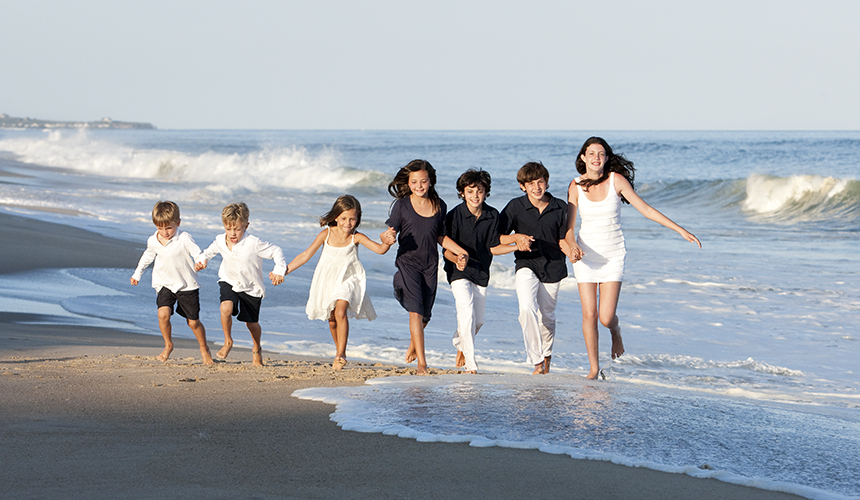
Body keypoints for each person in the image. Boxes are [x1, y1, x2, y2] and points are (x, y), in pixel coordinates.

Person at [566, 136, 701, 379]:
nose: (597, 158)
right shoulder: (574, 186)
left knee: (606, 318)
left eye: (602, 154)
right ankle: (593, 369)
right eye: (592, 153)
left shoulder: (616, 180)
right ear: (583, 157)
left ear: (607, 159)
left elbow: (646, 209)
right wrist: (572, 246)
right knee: (589, 315)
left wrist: (680, 229)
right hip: (586, 257)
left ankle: (615, 332)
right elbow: (568, 227)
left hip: (613, 255)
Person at [380, 159, 469, 375]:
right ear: (408, 184)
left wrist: (460, 251)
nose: (419, 186)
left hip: (430, 265)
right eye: (414, 182)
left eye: (423, 181)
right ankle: (422, 363)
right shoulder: (402, 206)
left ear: (431, 181)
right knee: (415, 311)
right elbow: (389, 232)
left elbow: (440, 237)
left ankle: (414, 343)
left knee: (425, 314)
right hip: (408, 262)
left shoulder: (440, 206)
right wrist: (387, 237)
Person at [285, 195, 391, 369]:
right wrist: (284, 271)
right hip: (327, 281)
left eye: (352, 219)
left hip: (349, 280)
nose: (348, 223)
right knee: (333, 319)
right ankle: (338, 350)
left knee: (340, 311)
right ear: (336, 217)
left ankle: (341, 354)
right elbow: (305, 255)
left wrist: (387, 242)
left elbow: (379, 250)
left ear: (357, 219)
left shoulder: (356, 237)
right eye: (343, 218)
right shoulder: (326, 234)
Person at [499, 162, 572, 375]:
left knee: (547, 316)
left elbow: (562, 239)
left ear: (547, 183)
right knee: (526, 308)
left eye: (540, 182)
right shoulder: (515, 206)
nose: (536, 187)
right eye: (531, 183)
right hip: (526, 263)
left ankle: (546, 356)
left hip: (554, 266)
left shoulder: (560, 207)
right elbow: (498, 238)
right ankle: (537, 361)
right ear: (523, 186)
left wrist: (573, 252)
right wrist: (516, 238)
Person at [195, 202, 286, 367]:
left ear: (246, 225)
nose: (232, 233)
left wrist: (279, 269)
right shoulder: (220, 240)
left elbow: (276, 251)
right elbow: (208, 252)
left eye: (237, 229)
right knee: (226, 308)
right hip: (228, 280)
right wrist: (202, 260)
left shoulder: (253, 243)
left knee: (251, 324)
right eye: (228, 228)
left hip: (251, 287)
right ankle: (228, 340)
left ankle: (257, 348)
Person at [443, 169, 513, 373]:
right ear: (462, 192)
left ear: (486, 192)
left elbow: (493, 247)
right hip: (458, 271)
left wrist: (515, 245)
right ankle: (471, 363)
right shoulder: (454, 215)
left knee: (478, 320)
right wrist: (457, 259)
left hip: (482, 271)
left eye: (480, 191)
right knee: (466, 312)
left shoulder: (492, 215)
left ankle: (460, 343)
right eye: (470, 191)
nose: (475, 195)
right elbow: (446, 249)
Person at [131, 201, 214, 365]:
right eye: (160, 228)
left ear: (178, 223)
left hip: (186, 284)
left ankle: (204, 348)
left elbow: (197, 252)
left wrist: (200, 261)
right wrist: (137, 274)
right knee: (163, 315)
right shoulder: (153, 240)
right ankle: (168, 344)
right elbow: (147, 257)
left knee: (193, 322)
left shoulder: (184, 238)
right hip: (164, 283)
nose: (164, 232)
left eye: (168, 228)